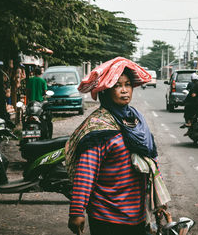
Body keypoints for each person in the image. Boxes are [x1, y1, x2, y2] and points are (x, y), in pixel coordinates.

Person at [65, 57, 170, 235]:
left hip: (137, 215)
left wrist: (158, 203)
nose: (124, 90)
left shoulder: (135, 121)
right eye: (117, 85)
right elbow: (86, 172)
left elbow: (150, 162)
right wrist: (76, 212)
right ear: (105, 91)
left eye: (127, 84)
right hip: (107, 217)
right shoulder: (98, 128)